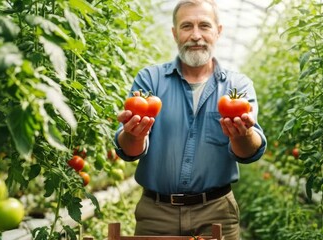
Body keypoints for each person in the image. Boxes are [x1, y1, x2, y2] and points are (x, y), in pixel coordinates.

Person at [114, 0, 267, 239]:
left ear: (218, 31)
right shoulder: (150, 80)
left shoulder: (237, 85)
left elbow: (248, 152)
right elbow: (129, 150)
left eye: (204, 26)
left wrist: (244, 134)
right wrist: (134, 134)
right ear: (175, 34)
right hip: (156, 214)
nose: (196, 35)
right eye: (187, 26)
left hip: (216, 212)